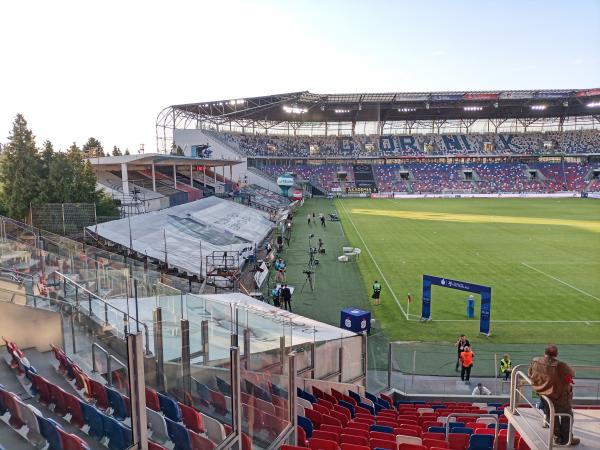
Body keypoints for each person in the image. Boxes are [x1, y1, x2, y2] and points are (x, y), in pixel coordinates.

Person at [528, 345, 579, 446]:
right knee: (568, 416)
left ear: (545, 353)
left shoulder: (535, 361)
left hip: (543, 395)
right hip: (559, 396)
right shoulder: (561, 365)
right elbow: (573, 373)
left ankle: (557, 438)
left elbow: (530, 374)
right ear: (556, 354)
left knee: (552, 416)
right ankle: (567, 439)